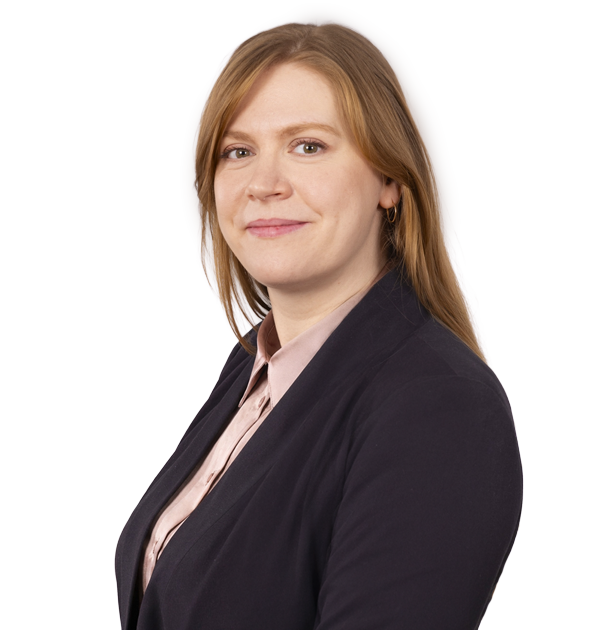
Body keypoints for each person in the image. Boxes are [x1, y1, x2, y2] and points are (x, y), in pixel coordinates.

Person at [115, 11, 522, 630]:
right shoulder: (254, 368)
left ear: (389, 179)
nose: (263, 184)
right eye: (238, 151)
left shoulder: (440, 407)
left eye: (308, 146)